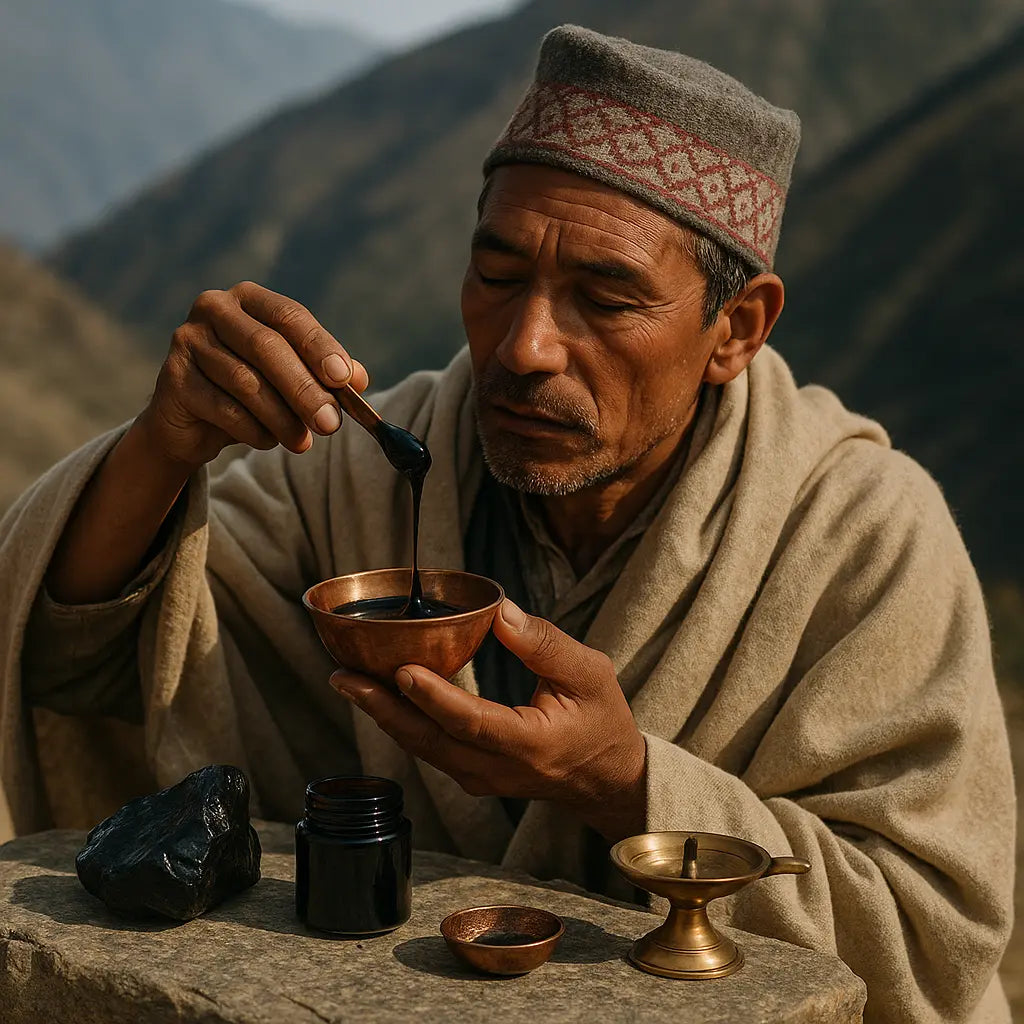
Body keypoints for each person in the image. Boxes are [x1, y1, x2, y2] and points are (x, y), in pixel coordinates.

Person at [0, 24, 1013, 1023]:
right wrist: (160, 448)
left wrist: (623, 783)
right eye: (496, 275)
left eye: (604, 299)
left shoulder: (861, 536)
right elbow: (78, 672)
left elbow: (932, 933)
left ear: (735, 329)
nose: (523, 346)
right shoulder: (361, 475)